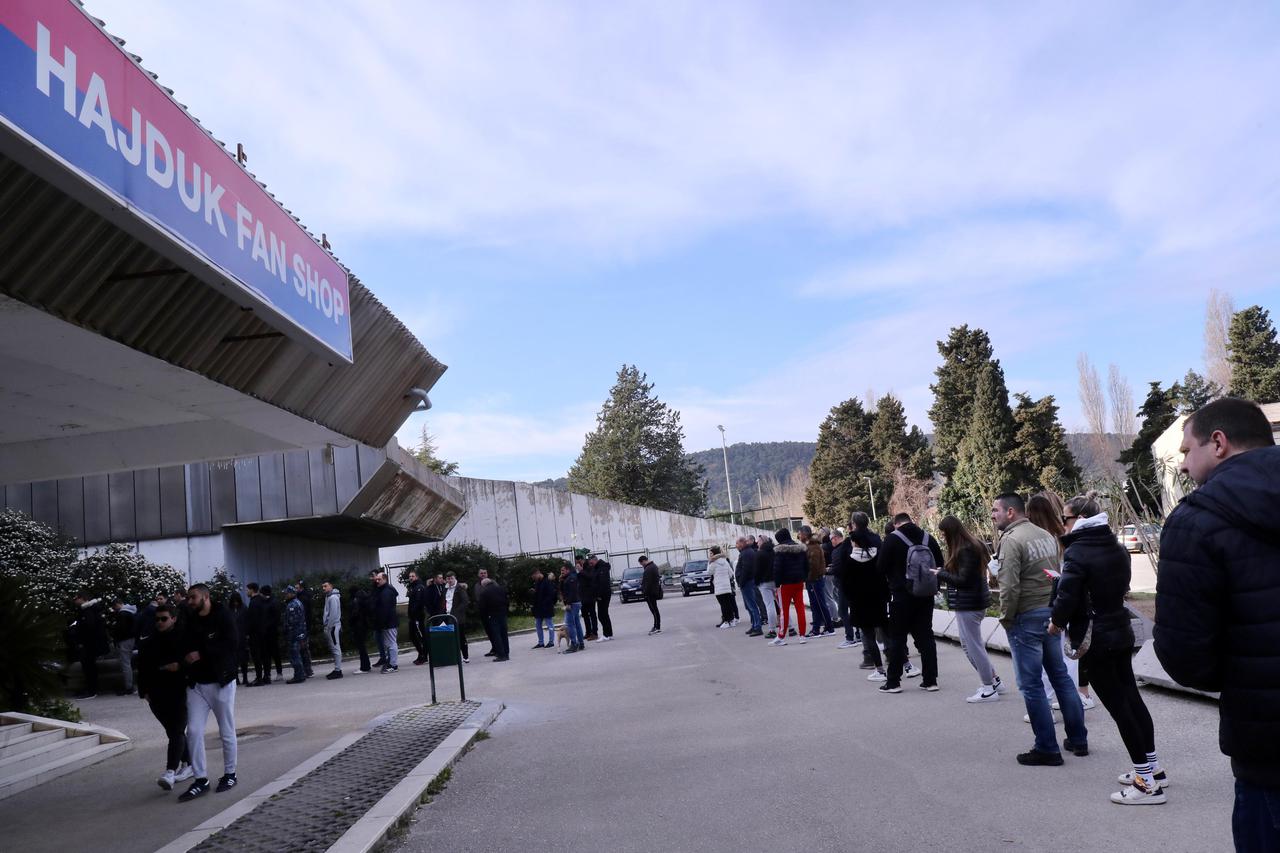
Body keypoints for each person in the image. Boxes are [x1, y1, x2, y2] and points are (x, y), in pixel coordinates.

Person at [1154, 398, 1280, 846]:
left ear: (1219, 443)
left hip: (1268, 746)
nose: (1184, 466)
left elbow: (1189, 661)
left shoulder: (1197, 520)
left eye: (1187, 451)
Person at [1051, 492, 1164, 805]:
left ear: (1079, 520)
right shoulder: (1116, 546)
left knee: (1119, 708)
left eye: (1065, 519)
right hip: (1120, 630)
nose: (1063, 524)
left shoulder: (1076, 553)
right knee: (1131, 698)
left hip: (1095, 638)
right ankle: (1153, 768)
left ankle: (1145, 784)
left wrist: (1056, 622)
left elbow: (1068, 595)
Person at [993, 493, 1088, 766]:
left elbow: (1009, 587)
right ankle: (1078, 738)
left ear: (1011, 512)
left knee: (1031, 685)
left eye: (995, 510)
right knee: (1059, 675)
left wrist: (1006, 618)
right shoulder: (1046, 535)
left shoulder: (1011, 541)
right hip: (1050, 613)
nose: (993, 515)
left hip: (1025, 617)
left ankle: (1047, 747)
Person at [1028, 492, 1095, 713]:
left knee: (1059, 653)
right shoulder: (1064, 536)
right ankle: (1076, 697)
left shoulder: (1054, 539)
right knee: (1067, 652)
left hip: (1060, 600)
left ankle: (1070, 699)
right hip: (1069, 600)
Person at [178, 584, 239, 801]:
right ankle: (200, 779)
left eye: (193, 597)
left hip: (221, 681)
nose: (190, 601)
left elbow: (232, 644)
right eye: (188, 598)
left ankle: (230, 774)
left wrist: (202, 654)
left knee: (226, 730)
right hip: (197, 685)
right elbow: (184, 644)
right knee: (193, 731)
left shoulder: (224, 615)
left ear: (206, 596)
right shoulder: (191, 619)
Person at [936, 516, 1004, 702]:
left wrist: (941, 574)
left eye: (943, 533)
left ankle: (988, 687)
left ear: (951, 532)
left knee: (973, 647)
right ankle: (994, 680)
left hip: (968, 603)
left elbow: (964, 581)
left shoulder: (965, 549)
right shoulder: (974, 544)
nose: (942, 537)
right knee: (971, 645)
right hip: (974, 602)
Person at [877, 513, 942, 694]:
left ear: (896, 524)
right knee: (926, 637)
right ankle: (930, 681)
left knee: (897, 638)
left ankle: (893, 682)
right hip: (925, 595)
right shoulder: (928, 538)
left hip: (901, 596)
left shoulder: (892, 539)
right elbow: (940, 564)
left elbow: (880, 568)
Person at [136, 603, 194, 791]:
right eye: (157, 619)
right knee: (173, 731)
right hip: (156, 694)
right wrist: (143, 691)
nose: (160, 622)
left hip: (178, 691)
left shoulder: (184, 638)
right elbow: (142, 667)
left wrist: (180, 667)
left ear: (173, 619)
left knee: (176, 730)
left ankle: (170, 771)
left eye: (164, 618)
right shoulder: (150, 640)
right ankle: (189, 763)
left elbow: (195, 661)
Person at [841, 514, 891, 678]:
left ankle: (876, 666)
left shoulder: (849, 559)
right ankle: (902, 662)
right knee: (885, 629)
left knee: (867, 635)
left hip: (859, 602)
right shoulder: (877, 544)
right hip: (878, 598)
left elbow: (845, 583)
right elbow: (883, 574)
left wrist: (850, 600)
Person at [770, 528, 808, 646]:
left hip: (785, 584)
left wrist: (777, 585)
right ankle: (802, 635)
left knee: (784, 611)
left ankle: (781, 636)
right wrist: (804, 578)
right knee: (800, 609)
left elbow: (777, 569)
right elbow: (806, 565)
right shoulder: (801, 549)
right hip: (798, 582)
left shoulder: (780, 551)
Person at [70, 593, 109, 699]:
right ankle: (91, 688)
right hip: (90, 644)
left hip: (89, 644)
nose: (74, 601)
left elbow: (88, 627)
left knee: (89, 667)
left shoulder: (88, 611)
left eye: (76, 598)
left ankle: (92, 690)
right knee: (88, 667)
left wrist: (77, 631)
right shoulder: (88, 610)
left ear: (83, 599)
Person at [800, 526, 833, 637]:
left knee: (819, 604)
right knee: (816, 605)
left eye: (800, 534)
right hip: (814, 579)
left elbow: (813, 565)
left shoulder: (812, 546)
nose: (799, 536)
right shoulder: (811, 545)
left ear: (805, 534)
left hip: (814, 580)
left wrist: (810, 578)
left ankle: (827, 628)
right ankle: (817, 628)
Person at [476, 577, 510, 661]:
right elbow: (507, 601)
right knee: (504, 634)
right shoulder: (501, 589)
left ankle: (501, 655)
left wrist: (485, 616)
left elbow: (482, 607)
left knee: (496, 635)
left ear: (483, 585)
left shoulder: (484, 593)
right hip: (502, 614)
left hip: (492, 615)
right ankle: (506, 653)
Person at [735, 536, 763, 636]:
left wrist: (741, 581)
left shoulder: (747, 553)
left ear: (742, 543)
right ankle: (754, 625)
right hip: (746, 582)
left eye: (737, 544)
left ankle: (757, 627)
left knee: (752, 606)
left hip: (747, 582)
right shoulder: (746, 552)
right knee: (749, 606)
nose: (736, 546)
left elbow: (746, 569)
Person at [372, 572, 399, 673]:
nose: (377, 581)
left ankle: (393, 665)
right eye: (376, 579)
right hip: (389, 621)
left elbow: (385, 609)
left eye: (379, 579)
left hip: (389, 622)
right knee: (389, 643)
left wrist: (382, 623)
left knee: (391, 643)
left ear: (385, 579)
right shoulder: (384, 590)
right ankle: (391, 663)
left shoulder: (386, 592)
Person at [110, 598, 137, 695]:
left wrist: (115, 635)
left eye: (114, 606)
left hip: (124, 640)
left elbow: (121, 629)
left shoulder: (123, 614)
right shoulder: (131, 612)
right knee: (128, 663)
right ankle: (130, 685)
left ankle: (129, 687)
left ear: (118, 604)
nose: (114, 609)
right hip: (131, 639)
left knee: (125, 664)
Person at [282, 586, 308, 684]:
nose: (285, 595)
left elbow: (293, 622)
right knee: (297, 655)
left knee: (295, 655)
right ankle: (300, 674)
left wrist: (288, 631)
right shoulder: (296, 603)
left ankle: (299, 675)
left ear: (292, 594)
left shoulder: (293, 605)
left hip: (295, 634)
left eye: (287, 593)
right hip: (298, 634)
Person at [245, 583, 269, 686]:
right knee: (264, 655)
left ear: (252, 590)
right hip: (264, 632)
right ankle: (266, 677)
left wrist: (248, 633)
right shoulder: (262, 600)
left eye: (248, 590)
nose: (246, 592)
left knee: (257, 656)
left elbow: (252, 620)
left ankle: (259, 678)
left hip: (255, 634)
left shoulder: (254, 602)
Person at [444, 572, 471, 663]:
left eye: (451, 578)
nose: (450, 580)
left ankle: (465, 656)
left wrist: (456, 612)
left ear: (455, 578)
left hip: (457, 617)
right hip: (447, 616)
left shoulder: (459, 588)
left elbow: (465, 601)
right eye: (448, 579)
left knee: (461, 637)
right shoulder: (445, 588)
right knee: (452, 638)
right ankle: (455, 657)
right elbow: (444, 601)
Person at [755, 534, 778, 638]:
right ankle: (790, 627)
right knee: (782, 605)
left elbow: (757, 570)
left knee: (770, 606)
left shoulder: (760, 554)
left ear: (762, 541)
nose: (757, 542)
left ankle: (772, 630)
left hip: (765, 583)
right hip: (776, 581)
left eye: (758, 541)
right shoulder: (775, 551)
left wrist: (757, 582)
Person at [708, 546, 736, 628]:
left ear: (714, 553)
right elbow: (731, 573)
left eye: (710, 553)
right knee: (728, 604)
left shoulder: (713, 563)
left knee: (723, 605)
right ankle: (732, 620)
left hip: (719, 587)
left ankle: (726, 621)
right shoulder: (725, 561)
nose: (709, 555)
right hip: (727, 586)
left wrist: (709, 563)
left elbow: (709, 572)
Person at [559, 563, 584, 653]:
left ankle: (574, 644)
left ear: (568, 570)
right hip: (574, 602)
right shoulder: (568, 578)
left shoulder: (571, 578)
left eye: (563, 570)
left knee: (569, 624)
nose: (561, 572)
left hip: (572, 603)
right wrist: (561, 580)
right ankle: (581, 643)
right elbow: (563, 590)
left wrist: (568, 604)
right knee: (576, 623)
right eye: (561, 570)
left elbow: (572, 592)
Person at [589, 555, 615, 641]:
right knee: (604, 614)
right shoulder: (597, 568)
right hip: (601, 595)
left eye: (591, 562)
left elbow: (602, 583)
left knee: (602, 615)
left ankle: (606, 635)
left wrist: (599, 595)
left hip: (603, 595)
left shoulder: (602, 568)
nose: (591, 564)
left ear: (595, 560)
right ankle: (609, 634)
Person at [227, 592, 250, 687]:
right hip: (232, 638)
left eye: (237, 601)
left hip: (242, 637)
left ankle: (245, 677)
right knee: (234, 660)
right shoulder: (228, 610)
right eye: (234, 601)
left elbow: (248, 622)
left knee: (244, 659)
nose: (235, 603)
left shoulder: (244, 608)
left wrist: (247, 634)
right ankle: (236, 678)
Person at [322, 581, 343, 679]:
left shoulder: (333, 598)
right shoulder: (329, 597)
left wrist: (329, 627)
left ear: (331, 586)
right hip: (332, 626)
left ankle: (338, 670)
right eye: (323, 586)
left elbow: (333, 614)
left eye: (325, 586)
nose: (324, 588)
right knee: (334, 648)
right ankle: (337, 669)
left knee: (335, 648)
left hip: (333, 626)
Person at [406, 570, 428, 666]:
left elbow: (418, 602)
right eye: (410, 576)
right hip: (413, 617)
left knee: (420, 636)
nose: (411, 578)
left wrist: (414, 614)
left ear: (417, 577)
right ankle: (421, 653)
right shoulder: (413, 587)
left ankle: (424, 655)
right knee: (413, 636)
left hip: (417, 616)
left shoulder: (419, 587)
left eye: (413, 576)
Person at [531, 570, 557, 648]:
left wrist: (545, 603)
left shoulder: (547, 581)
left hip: (546, 607)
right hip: (539, 608)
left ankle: (551, 641)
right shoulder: (538, 582)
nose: (534, 579)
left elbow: (551, 594)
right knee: (538, 625)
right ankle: (541, 642)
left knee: (550, 624)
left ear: (537, 574)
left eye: (534, 577)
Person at [349, 584, 372, 673]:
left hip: (359, 625)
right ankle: (366, 666)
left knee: (361, 647)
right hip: (364, 624)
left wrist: (350, 621)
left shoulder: (356, 599)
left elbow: (355, 613)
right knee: (362, 647)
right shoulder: (363, 597)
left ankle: (365, 667)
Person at [294, 580, 314, 679]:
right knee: (304, 649)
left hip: (303, 627)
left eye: (297, 588)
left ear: (301, 588)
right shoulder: (304, 597)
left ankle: (307, 670)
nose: (295, 590)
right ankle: (308, 670)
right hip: (305, 627)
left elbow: (303, 615)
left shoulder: (302, 599)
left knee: (303, 649)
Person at [639, 556, 662, 635]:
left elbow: (648, 583)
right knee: (654, 609)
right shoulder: (652, 566)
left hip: (650, 593)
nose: (642, 565)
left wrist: (645, 592)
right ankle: (656, 626)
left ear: (644, 561)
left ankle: (657, 627)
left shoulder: (649, 568)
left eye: (641, 564)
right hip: (652, 592)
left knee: (654, 610)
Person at [577, 558, 599, 642]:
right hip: (582, 597)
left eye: (579, 561)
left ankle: (594, 633)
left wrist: (581, 570)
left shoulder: (589, 568)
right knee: (585, 615)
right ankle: (588, 632)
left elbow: (590, 577)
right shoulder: (582, 570)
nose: (578, 564)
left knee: (592, 615)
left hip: (590, 596)